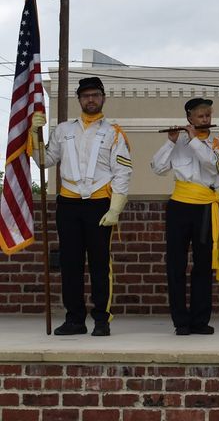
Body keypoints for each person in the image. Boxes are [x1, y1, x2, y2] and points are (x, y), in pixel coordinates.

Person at [32, 77, 132, 337]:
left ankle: (102, 318)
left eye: (95, 95)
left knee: (100, 263)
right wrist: (34, 134)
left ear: (103, 98)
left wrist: (116, 208)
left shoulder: (114, 132)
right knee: (70, 263)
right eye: (86, 95)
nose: (91, 99)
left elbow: (122, 171)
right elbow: (45, 160)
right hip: (69, 202)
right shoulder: (63, 130)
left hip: (99, 203)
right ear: (79, 99)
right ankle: (74, 319)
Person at [150, 98, 219, 336]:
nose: (206, 120)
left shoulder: (218, 141)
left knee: (203, 265)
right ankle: (180, 321)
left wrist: (195, 140)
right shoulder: (178, 142)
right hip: (179, 206)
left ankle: (200, 320)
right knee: (176, 264)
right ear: (189, 119)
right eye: (201, 116)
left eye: (208, 116)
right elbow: (157, 167)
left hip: (205, 206)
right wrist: (170, 142)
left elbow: (213, 166)